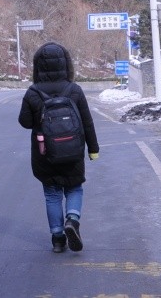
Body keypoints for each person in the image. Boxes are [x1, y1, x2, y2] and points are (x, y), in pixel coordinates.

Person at [18, 42, 100, 254]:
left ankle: (57, 238)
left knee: (52, 193)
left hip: (45, 153)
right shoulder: (74, 90)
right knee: (74, 187)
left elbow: (25, 122)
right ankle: (72, 219)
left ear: (38, 66)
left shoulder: (33, 92)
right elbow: (87, 122)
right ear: (66, 64)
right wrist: (93, 149)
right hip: (73, 151)